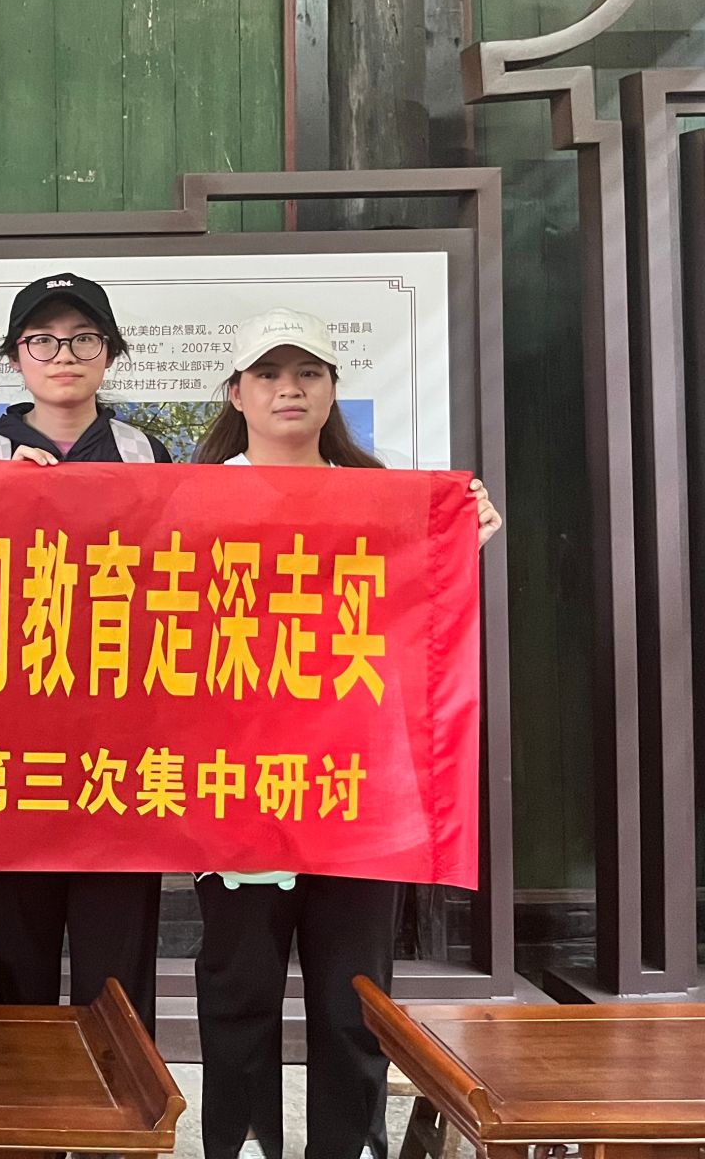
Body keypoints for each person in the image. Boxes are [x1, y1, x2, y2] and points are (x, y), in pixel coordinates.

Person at [190, 305, 500, 1159]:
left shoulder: (386, 497)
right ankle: (238, 1148)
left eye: (308, 373)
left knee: (352, 998)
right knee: (238, 992)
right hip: (239, 786)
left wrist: (460, 543)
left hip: (358, 786)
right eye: (268, 374)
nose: (288, 390)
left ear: (332, 389)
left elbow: (421, 629)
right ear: (237, 394)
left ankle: (347, 1147)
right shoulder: (193, 499)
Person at [0, 272, 167, 1031]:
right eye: (41, 341)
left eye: (83, 339)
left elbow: (180, 575)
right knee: (22, 959)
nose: (63, 355)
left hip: (122, 736)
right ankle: (30, 1097)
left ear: (109, 353)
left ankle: (123, 1100)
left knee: (119, 968)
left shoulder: (145, 452)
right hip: (14, 741)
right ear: (17, 357)